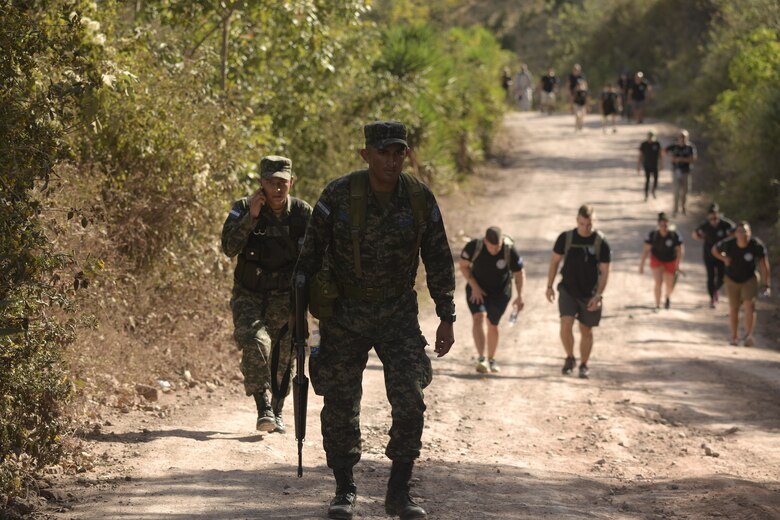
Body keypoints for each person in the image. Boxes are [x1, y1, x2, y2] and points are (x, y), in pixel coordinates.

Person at [293, 121, 456, 519]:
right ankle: (344, 488)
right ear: (366, 155)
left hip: (398, 311)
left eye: (398, 151)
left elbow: (438, 258)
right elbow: (308, 257)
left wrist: (446, 314)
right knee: (340, 399)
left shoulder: (418, 197)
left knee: (410, 398)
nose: (392, 159)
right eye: (383, 152)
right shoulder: (338, 195)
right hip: (345, 312)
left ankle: (399, 492)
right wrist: (298, 316)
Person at [221, 155, 313, 433]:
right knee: (256, 342)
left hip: (286, 296)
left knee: (284, 355)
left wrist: (306, 306)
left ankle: (278, 409)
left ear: (291, 182)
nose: (277, 189)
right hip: (249, 292)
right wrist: (251, 217)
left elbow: (315, 257)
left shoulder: (302, 213)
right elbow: (228, 247)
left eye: (282, 183)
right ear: (261, 183)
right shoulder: (243, 208)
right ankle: (264, 407)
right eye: (271, 183)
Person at [545, 205, 611, 379]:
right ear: (577, 221)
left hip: (590, 293)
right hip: (567, 289)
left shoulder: (600, 242)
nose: (585, 228)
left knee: (586, 329)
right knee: (565, 323)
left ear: (593, 222)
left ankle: (584, 364)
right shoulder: (565, 238)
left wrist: (598, 295)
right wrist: (549, 286)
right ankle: (570, 357)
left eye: (589, 224)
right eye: (582, 224)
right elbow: (554, 262)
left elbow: (605, 271)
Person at [459, 226, 525, 374]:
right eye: (491, 247)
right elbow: (463, 266)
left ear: (502, 241)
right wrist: (474, 287)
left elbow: (519, 273)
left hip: (500, 292)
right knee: (478, 317)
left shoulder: (509, 249)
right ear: (485, 241)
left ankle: (492, 358)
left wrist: (520, 296)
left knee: (492, 324)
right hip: (477, 288)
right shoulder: (474, 246)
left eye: (498, 247)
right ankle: (482, 358)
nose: (494, 250)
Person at [712, 222, 771, 346]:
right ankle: (734, 337)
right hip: (731, 279)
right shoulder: (728, 244)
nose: (742, 234)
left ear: (749, 233)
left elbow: (764, 265)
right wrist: (724, 258)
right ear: (735, 233)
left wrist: (767, 285)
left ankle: (748, 336)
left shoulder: (756, 245)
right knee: (734, 308)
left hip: (749, 279)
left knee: (749, 305)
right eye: (739, 231)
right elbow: (714, 250)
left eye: (745, 231)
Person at [693, 203, 736, 307]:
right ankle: (712, 297)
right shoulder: (705, 225)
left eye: (715, 214)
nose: (713, 216)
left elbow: (735, 231)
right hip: (708, 254)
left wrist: (730, 238)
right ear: (708, 215)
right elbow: (694, 235)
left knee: (721, 276)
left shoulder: (725, 224)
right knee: (710, 276)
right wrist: (700, 236)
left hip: (722, 255)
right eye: (711, 214)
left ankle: (715, 290)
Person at [639, 212, 684, 310]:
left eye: (666, 224)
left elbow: (680, 250)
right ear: (658, 224)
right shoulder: (653, 235)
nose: (664, 227)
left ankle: (667, 296)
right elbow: (646, 250)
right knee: (658, 282)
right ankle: (657, 304)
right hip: (657, 260)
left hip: (670, 260)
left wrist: (677, 264)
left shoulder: (674, 234)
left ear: (669, 224)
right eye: (662, 225)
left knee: (669, 284)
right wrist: (641, 265)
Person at [665, 129, 697, 216]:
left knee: (685, 192)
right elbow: (664, 151)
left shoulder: (690, 147)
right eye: (681, 137)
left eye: (684, 137)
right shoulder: (674, 146)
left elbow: (693, 158)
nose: (682, 139)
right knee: (676, 191)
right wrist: (672, 157)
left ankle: (683, 208)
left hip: (686, 172)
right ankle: (675, 210)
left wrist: (682, 159)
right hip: (676, 171)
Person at [637, 130, 664, 201]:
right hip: (647, 165)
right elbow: (641, 155)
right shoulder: (644, 144)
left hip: (655, 165)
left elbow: (660, 155)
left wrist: (661, 164)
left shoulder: (657, 144)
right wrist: (638, 166)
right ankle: (646, 195)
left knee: (656, 180)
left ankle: (653, 190)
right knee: (647, 180)